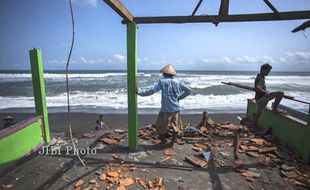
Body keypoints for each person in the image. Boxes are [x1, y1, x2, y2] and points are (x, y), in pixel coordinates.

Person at [136, 64, 192, 147]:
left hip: (166, 108)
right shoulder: (178, 82)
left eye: (163, 73)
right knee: (176, 127)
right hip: (176, 108)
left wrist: (140, 92)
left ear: (165, 73)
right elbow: (189, 90)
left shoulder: (162, 81)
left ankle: (163, 140)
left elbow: (151, 90)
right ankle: (172, 143)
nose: (162, 74)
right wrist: (180, 97)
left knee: (159, 126)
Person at [253, 63, 286, 128]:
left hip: (258, 99)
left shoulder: (259, 77)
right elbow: (257, 87)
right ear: (263, 70)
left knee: (258, 113)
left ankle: (253, 125)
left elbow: (257, 87)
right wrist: (264, 91)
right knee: (280, 93)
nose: (269, 72)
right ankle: (274, 109)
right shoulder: (260, 78)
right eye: (268, 71)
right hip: (262, 98)